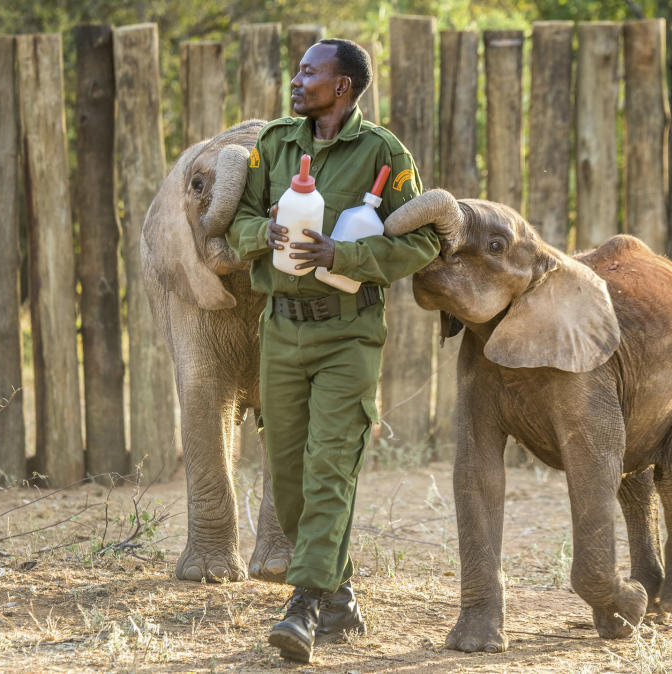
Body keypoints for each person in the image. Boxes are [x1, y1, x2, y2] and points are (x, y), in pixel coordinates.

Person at [225, 38, 439, 663]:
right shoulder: (274, 144)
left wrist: (343, 256)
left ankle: (306, 603)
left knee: (329, 466)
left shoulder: (385, 154)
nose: (296, 79)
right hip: (282, 328)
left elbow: (421, 243)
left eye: (309, 72)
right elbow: (236, 216)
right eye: (297, 70)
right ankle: (340, 592)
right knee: (287, 476)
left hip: (349, 333)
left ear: (342, 86)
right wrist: (257, 232)